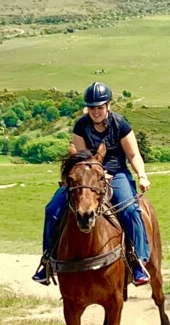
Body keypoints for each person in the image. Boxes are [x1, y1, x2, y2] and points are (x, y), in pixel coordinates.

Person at [33, 82, 153, 286]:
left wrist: (142, 175)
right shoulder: (81, 126)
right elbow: (82, 158)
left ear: (108, 106)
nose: (96, 111)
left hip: (117, 174)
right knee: (52, 209)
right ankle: (47, 262)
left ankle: (138, 262)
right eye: (92, 107)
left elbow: (133, 154)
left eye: (100, 107)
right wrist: (97, 174)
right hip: (87, 176)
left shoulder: (120, 124)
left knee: (131, 211)